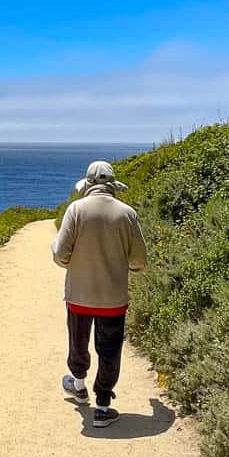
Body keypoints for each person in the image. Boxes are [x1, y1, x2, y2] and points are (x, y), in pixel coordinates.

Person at [51, 160, 148, 427]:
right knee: (109, 350)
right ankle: (103, 406)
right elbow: (139, 260)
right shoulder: (127, 214)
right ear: (112, 185)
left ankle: (79, 385)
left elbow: (61, 255)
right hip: (113, 299)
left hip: (79, 295)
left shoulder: (76, 210)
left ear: (89, 185)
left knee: (78, 341)